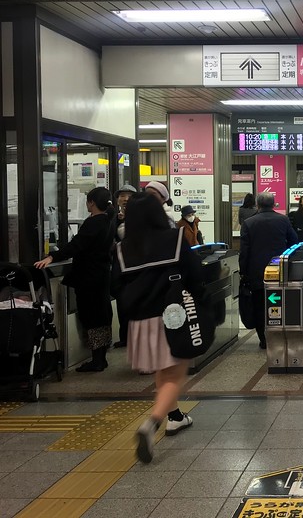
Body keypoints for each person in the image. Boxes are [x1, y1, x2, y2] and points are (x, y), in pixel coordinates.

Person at [111, 193, 202, 463]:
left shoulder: (123, 248)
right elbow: (194, 273)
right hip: (172, 315)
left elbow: (115, 286)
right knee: (176, 373)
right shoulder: (173, 239)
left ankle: (175, 417)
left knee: (163, 372)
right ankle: (151, 423)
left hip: (140, 321)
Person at [35, 187, 116, 372]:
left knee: (91, 316)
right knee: (101, 316)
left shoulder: (94, 222)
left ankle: (97, 360)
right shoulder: (108, 221)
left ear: (91, 203)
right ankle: (100, 358)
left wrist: (52, 257)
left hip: (89, 278)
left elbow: (77, 245)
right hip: (101, 276)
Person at [239, 193, 298, 349]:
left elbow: (244, 251)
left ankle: (263, 340)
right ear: (273, 204)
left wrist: (243, 272)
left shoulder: (248, 223)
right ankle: (278, 336)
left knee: (259, 306)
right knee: (278, 302)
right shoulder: (283, 220)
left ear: (258, 204)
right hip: (279, 269)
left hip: (256, 272)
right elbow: (294, 241)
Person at [112, 184, 138, 349]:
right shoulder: (114, 218)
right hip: (119, 267)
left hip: (135, 267)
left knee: (134, 303)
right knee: (122, 302)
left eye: (129, 195)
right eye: (122, 195)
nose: (125, 198)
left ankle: (135, 337)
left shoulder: (140, 217)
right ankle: (125, 337)